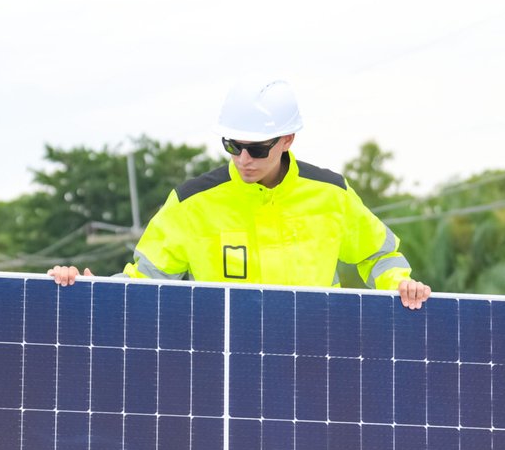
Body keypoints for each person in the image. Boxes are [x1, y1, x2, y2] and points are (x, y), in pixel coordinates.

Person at [49, 78, 431, 309]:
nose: (244, 159)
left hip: (316, 358)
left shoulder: (331, 194)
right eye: (233, 146)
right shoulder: (190, 204)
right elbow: (143, 281)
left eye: (258, 149)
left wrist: (399, 283)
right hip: (223, 368)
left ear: (287, 140)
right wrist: (87, 287)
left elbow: (377, 253)